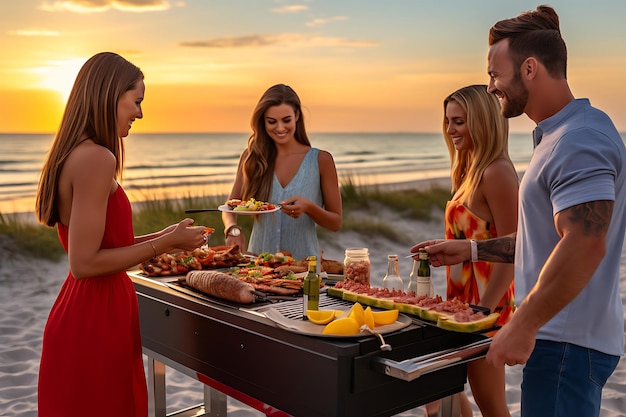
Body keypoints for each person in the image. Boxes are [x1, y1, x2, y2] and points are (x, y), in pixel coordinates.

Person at [412, 6, 625, 417]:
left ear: (529, 69)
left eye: (495, 73)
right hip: (561, 343)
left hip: (567, 345)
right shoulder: (560, 134)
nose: (491, 87)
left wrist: (521, 323)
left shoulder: (578, 139)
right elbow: (544, 240)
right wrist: (471, 252)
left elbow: (585, 242)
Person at [35, 52, 207, 417]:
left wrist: (166, 235)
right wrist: (165, 244)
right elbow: (84, 263)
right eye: (137, 101)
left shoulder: (76, 153)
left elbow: (104, 247)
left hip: (86, 313)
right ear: (111, 94)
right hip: (96, 319)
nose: (140, 113)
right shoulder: (98, 158)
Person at [425, 84, 517, 417]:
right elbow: (472, 236)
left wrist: (483, 312)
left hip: (485, 307)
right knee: (440, 395)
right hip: (462, 305)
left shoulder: (497, 173)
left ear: (482, 122)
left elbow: (513, 249)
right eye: (448, 121)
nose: (450, 130)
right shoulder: (468, 170)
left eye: (459, 122)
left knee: (491, 405)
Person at [222, 84, 342, 261]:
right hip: (257, 267)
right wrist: (233, 228)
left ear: (297, 116)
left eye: (286, 120)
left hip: (304, 270)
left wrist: (309, 208)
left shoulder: (321, 160)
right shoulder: (252, 158)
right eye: (272, 121)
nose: (279, 128)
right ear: (263, 121)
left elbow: (335, 222)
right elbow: (229, 207)